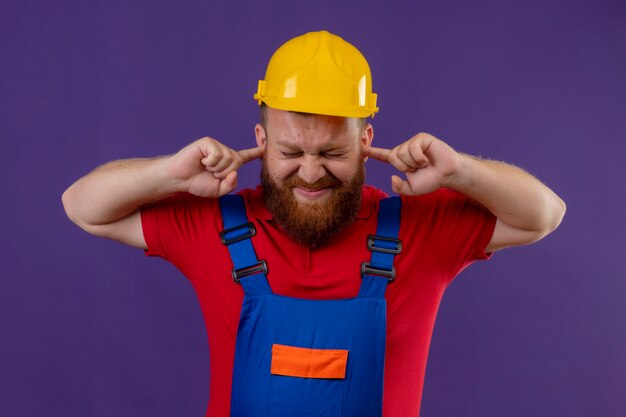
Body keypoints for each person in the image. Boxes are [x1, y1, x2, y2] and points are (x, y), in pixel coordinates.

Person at [62, 30, 565, 417]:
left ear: (366, 140)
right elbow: (82, 205)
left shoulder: (419, 226)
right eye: (289, 151)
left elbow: (544, 214)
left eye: (332, 152)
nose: (309, 172)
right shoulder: (217, 223)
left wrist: (460, 171)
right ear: (261, 138)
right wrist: (167, 172)